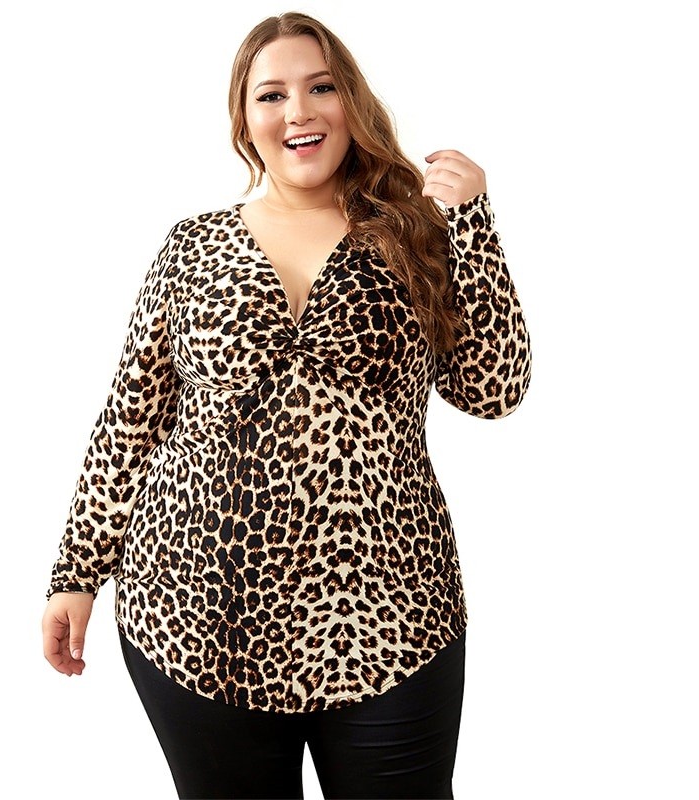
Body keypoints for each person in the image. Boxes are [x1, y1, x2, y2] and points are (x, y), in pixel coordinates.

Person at [41, 11, 531, 800]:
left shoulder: (412, 237)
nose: (298, 110)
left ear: (352, 103)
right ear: (245, 121)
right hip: (198, 624)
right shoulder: (191, 247)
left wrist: (472, 224)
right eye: (271, 95)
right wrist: (76, 573)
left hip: (392, 620)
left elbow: (493, 388)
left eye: (321, 87)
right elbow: (131, 418)